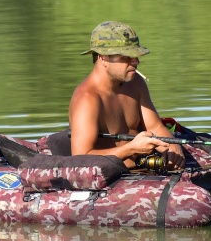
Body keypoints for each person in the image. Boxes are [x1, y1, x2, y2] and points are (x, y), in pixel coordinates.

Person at [68, 21, 186, 171]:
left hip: (146, 169)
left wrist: (173, 148)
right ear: (103, 57)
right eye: (127, 56)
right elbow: (80, 159)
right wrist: (131, 149)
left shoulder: (135, 82)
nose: (136, 61)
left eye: (136, 55)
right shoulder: (86, 99)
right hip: (112, 179)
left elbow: (155, 126)